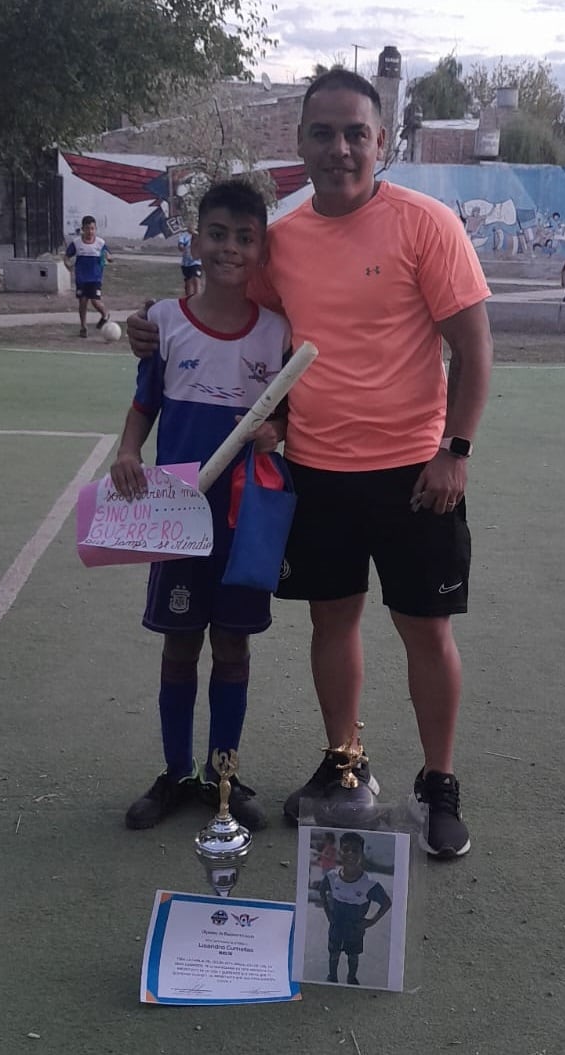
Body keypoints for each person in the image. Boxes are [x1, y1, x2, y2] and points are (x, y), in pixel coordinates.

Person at [127, 70, 493, 859]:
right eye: (323, 133)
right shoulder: (283, 240)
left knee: (424, 627)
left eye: (356, 132)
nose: (340, 148)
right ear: (299, 143)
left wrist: (454, 450)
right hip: (316, 469)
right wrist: (154, 328)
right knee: (335, 619)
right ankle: (344, 762)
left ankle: (439, 782)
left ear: (382, 140)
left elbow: (472, 347)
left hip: (413, 471)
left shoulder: (426, 226)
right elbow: (233, 312)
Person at [110, 180, 292, 833]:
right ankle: (176, 772)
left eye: (245, 238)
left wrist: (274, 434)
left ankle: (223, 774)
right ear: (194, 238)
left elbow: (285, 420)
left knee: (234, 648)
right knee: (180, 645)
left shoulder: (276, 333)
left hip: (242, 523)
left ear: (261, 248)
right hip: (176, 515)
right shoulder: (163, 322)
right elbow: (144, 404)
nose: (230, 248)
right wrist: (129, 450)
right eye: (218, 233)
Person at [320, 831, 392, 985]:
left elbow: (386, 903)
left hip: (355, 928)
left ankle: (351, 978)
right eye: (346, 849)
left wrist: (371, 921)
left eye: (355, 850)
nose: (350, 854)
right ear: (340, 851)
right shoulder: (332, 877)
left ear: (361, 854)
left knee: (353, 956)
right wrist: (328, 912)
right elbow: (322, 890)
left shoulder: (369, 884)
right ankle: (332, 977)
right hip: (336, 925)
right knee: (334, 953)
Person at [63, 215, 112, 338]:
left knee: (95, 301)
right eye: (87, 229)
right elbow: (67, 256)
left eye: (92, 229)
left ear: (95, 229)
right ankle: (83, 327)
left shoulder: (100, 243)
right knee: (83, 302)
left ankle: (105, 314)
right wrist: (68, 265)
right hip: (81, 278)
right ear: (82, 229)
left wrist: (108, 258)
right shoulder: (77, 243)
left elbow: (109, 255)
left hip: (95, 278)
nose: (90, 232)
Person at [177, 231, 202, 298]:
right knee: (189, 283)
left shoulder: (200, 234)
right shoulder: (184, 235)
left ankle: (198, 298)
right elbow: (180, 246)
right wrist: (182, 246)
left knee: (196, 280)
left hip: (196, 262)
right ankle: (189, 299)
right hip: (186, 263)